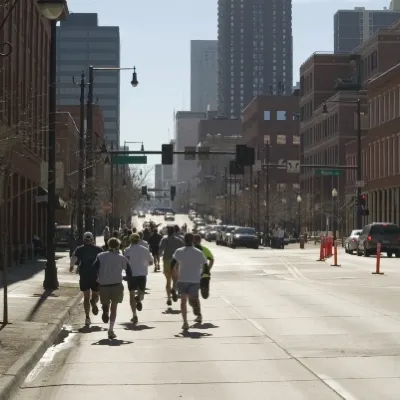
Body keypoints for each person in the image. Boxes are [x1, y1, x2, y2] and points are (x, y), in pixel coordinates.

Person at [93, 237, 133, 339]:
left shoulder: (100, 256)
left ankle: (105, 311)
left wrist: (98, 278)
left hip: (103, 285)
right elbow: (129, 272)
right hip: (116, 285)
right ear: (118, 246)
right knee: (114, 307)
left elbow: (94, 268)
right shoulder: (122, 258)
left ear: (108, 245)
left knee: (105, 303)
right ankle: (110, 329)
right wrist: (126, 278)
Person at [171, 233, 208, 330]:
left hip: (182, 279)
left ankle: (185, 322)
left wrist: (175, 274)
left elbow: (172, 265)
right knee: (193, 299)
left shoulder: (179, 251)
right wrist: (202, 274)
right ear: (193, 240)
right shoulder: (198, 252)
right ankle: (197, 314)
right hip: (194, 280)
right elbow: (206, 265)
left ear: (184, 240)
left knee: (183, 301)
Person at [70, 232, 104, 326]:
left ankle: (87, 318)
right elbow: (103, 261)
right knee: (96, 295)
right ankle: (94, 302)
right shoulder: (98, 249)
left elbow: (74, 258)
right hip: (95, 275)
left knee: (86, 297)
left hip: (84, 275)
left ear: (84, 240)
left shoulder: (79, 249)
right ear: (92, 240)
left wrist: (71, 266)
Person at [124, 233, 153, 323]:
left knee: (131, 294)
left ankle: (134, 315)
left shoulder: (127, 250)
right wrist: (144, 265)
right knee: (141, 294)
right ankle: (138, 299)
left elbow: (125, 263)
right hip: (142, 275)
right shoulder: (145, 250)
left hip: (131, 275)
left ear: (130, 240)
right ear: (139, 240)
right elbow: (151, 262)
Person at [159, 226, 184, 306]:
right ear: (173, 232)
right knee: (176, 279)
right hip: (175, 261)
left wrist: (159, 254)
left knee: (168, 280)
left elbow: (160, 250)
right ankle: (174, 289)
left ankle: (169, 298)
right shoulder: (178, 240)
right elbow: (183, 249)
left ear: (167, 231)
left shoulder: (164, 239)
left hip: (166, 261)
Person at [193, 234, 214, 299]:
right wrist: (208, 269)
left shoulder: (190, 250)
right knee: (205, 295)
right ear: (200, 241)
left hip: (193, 276)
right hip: (204, 275)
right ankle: (204, 290)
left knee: (193, 295)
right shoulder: (205, 249)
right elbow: (212, 260)